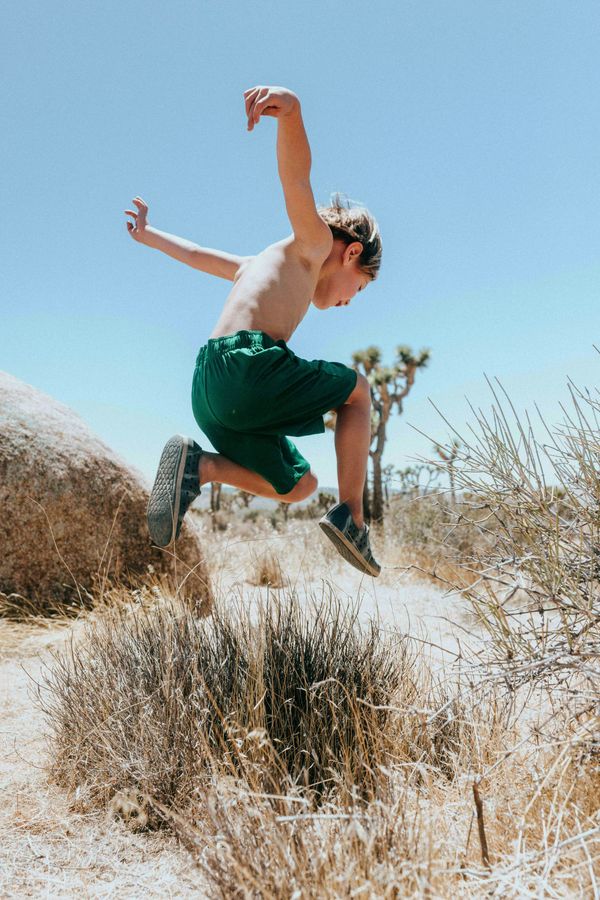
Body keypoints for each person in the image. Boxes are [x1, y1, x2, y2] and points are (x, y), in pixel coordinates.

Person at [124, 85, 382, 576]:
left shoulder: (256, 264)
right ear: (351, 255)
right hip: (249, 368)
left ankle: (198, 467)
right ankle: (353, 516)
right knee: (359, 392)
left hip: (210, 392)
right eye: (360, 287)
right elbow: (296, 180)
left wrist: (150, 236)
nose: (349, 300)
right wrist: (292, 114)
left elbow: (196, 255)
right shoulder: (314, 243)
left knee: (299, 485)